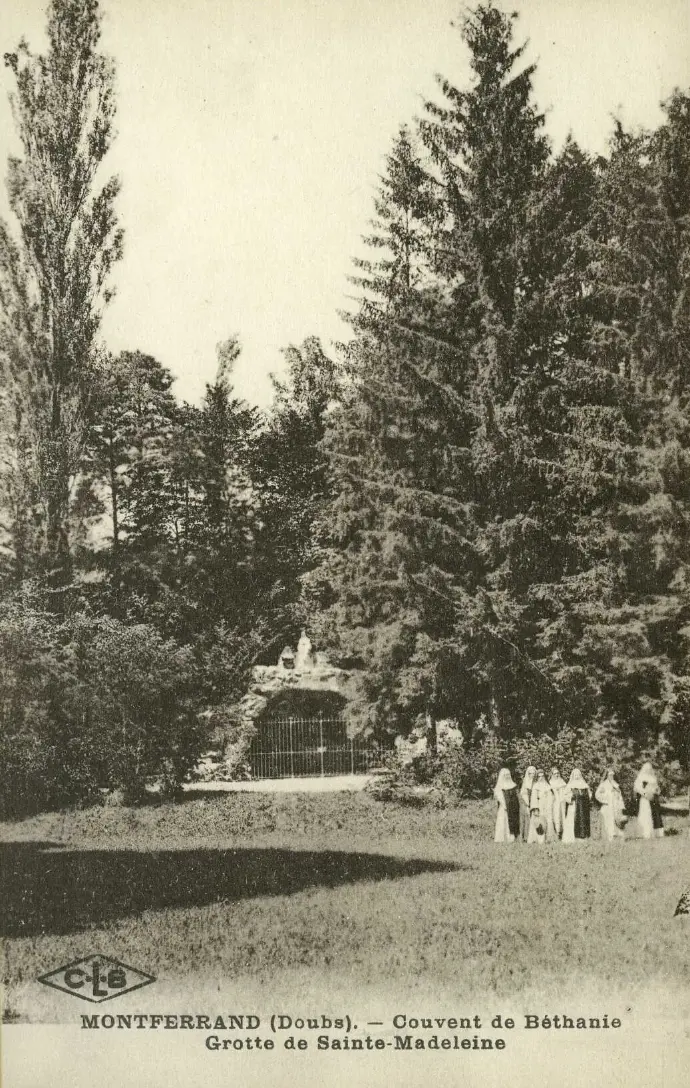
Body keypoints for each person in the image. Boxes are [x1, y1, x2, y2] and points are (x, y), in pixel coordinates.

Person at [633, 761, 664, 839]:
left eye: (650, 769)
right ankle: (645, 833)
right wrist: (645, 794)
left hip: (653, 799)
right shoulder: (640, 777)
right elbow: (637, 788)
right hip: (645, 799)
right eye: (647, 768)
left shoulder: (653, 777)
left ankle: (657, 833)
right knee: (646, 815)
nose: (649, 770)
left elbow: (657, 787)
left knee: (656, 814)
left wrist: (656, 791)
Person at [595, 768, 626, 841]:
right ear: (607, 776)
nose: (611, 777)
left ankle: (618, 836)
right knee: (608, 820)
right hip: (608, 805)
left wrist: (620, 802)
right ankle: (609, 836)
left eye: (612, 775)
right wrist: (605, 799)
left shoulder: (615, 783)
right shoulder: (603, 784)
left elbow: (619, 794)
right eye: (610, 775)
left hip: (615, 805)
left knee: (617, 820)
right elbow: (597, 794)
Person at [562, 769, 592, 842]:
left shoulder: (584, 785)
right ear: (573, 775)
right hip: (574, 805)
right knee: (573, 819)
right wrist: (570, 799)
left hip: (583, 805)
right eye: (575, 775)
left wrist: (587, 797)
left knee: (583, 819)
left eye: (578, 774)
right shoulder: (570, 785)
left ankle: (583, 836)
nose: (577, 776)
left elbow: (590, 794)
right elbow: (565, 795)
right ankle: (573, 837)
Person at [493, 768, 520, 843]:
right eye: (505, 775)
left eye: (508, 775)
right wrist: (505, 805)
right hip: (504, 807)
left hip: (513, 806)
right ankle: (503, 838)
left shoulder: (513, 785)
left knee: (513, 819)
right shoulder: (499, 786)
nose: (507, 776)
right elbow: (499, 797)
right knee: (503, 821)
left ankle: (513, 836)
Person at [528, 769, 554, 843]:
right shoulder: (535, 786)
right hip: (539, 806)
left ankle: (548, 839)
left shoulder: (548, 785)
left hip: (547, 806)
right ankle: (538, 839)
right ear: (537, 777)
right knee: (539, 823)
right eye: (539, 776)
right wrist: (535, 809)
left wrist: (550, 804)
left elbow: (551, 796)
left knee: (548, 822)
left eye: (542, 776)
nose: (541, 778)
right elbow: (533, 798)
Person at [549, 767, 567, 839]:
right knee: (556, 815)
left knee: (563, 815)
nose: (556, 775)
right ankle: (557, 832)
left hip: (562, 801)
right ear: (552, 774)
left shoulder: (562, 781)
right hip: (555, 801)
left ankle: (564, 832)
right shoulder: (550, 782)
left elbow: (566, 790)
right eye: (555, 773)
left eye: (557, 773)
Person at [519, 766, 536, 841]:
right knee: (525, 818)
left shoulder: (535, 782)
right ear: (528, 774)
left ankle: (532, 836)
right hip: (526, 801)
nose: (532, 775)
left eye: (533, 773)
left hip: (534, 800)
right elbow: (523, 793)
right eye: (530, 773)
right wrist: (527, 803)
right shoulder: (525, 781)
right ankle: (524, 837)